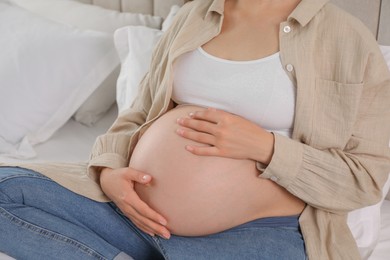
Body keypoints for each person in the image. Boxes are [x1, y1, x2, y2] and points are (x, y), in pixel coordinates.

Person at [1, 0, 390, 259]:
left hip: (261, 232)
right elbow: (138, 114)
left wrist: (267, 148)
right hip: (131, 213)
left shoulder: (346, 40)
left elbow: (365, 179)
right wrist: (109, 171)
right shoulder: (193, 17)